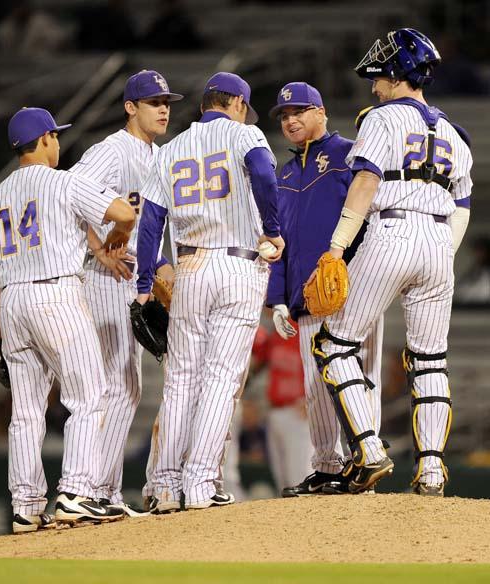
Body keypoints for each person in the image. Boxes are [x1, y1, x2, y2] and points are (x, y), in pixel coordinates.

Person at [311, 28, 472, 496]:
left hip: (392, 230)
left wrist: (338, 245)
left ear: (398, 73)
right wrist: (444, 250)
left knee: (334, 344)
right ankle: (432, 472)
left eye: (380, 74)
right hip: (439, 241)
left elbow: (365, 182)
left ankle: (370, 450)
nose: (374, 83)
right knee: (430, 360)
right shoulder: (455, 135)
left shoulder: (382, 118)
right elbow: (463, 205)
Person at [0, 107, 135, 531]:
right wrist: (117, 236)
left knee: (25, 412)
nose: (59, 142)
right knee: (89, 395)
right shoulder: (65, 182)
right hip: (56, 294)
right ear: (43, 139)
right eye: (55, 136)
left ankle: (25, 506)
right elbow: (125, 212)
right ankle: (77, 492)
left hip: (12, 303)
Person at [135, 72, 283, 513]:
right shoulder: (245, 133)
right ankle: (200, 483)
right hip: (238, 263)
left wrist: (145, 284)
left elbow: (149, 224)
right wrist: (273, 230)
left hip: (190, 267)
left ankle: (163, 486)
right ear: (236, 102)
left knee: (180, 380)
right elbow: (264, 175)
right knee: (220, 379)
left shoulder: (172, 149)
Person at [69, 70, 181, 517]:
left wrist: (164, 273)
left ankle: (100, 491)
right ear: (130, 107)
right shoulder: (111, 150)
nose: (164, 108)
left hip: (135, 278)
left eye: (166, 101)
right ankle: (96, 492)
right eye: (154, 101)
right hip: (107, 279)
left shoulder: (159, 155)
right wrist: (98, 249)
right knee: (118, 383)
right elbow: (70, 191)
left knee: (123, 385)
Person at [266, 82, 384, 497]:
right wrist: (278, 298)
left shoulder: (350, 153)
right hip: (306, 295)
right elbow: (277, 240)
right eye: (283, 115)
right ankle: (328, 466)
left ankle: (365, 459)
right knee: (316, 384)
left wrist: (365, 271)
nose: (290, 120)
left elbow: (376, 218)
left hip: (354, 288)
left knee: (361, 376)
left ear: (321, 111)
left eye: (298, 110)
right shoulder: (281, 172)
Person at [250, 324, 313, 493]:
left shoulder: (306, 328)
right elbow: (257, 355)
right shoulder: (276, 333)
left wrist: (314, 397)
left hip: (298, 411)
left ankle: (310, 518)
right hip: (275, 411)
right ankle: (292, 520)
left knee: (300, 477)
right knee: (282, 480)